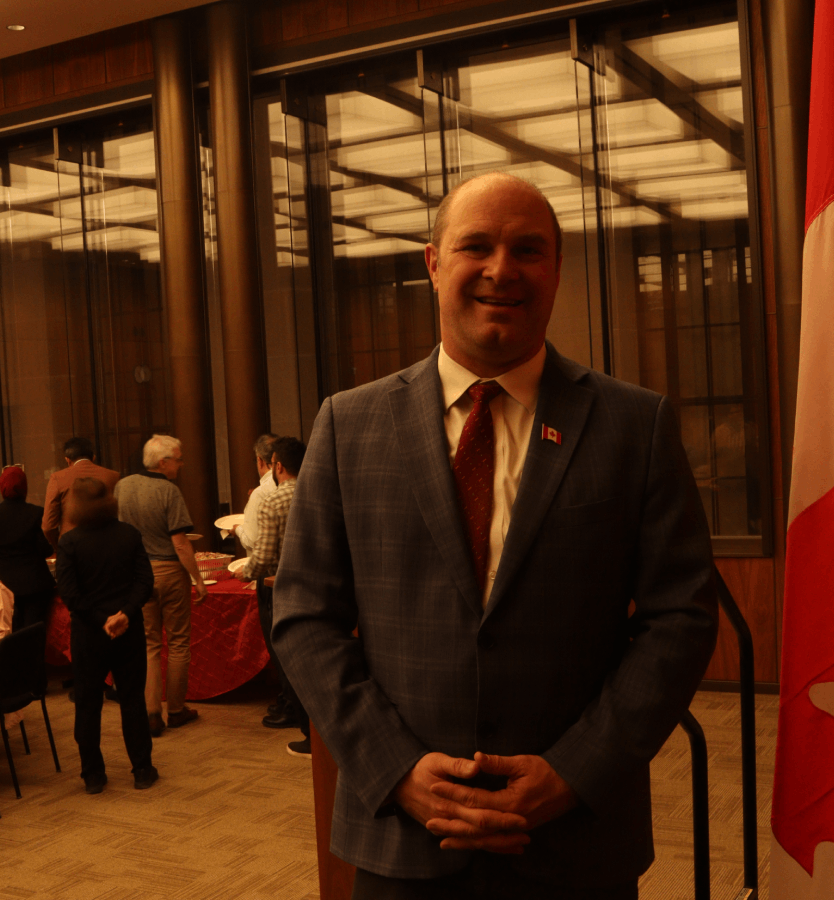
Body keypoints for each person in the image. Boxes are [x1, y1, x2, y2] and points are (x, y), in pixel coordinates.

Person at [272, 172, 719, 898]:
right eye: (475, 246)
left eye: (527, 250)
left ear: (557, 269)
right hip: (402, 842)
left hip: (576, 845)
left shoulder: (635, 426)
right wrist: (396, 768)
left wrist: (574, 771)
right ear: (433, 263)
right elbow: (304, 617)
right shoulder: (347, 425)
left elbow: (682, 618)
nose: (501, 270)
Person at [55, 477, 157, 794]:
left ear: (74, 505)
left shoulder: (69, 543)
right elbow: (145, 581)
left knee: (87, 703)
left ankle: (93, 774)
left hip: (89, 634)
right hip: (129, 629)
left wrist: (102, 620)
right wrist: (124, 613)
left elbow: (70, 594)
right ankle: (142, 769)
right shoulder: (129, 535)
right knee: (132, 699)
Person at [113, 435, 203, 737]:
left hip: (137, 574)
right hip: (169, 572)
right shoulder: (169, 491)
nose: (181, 464)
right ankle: (176, 710)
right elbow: (180, 543)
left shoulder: (123, 486)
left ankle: (151, 713)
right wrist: (198, 578)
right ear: (163, 462)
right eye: (178, 458)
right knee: (177, 643)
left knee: (149, 643)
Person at [242, 436, 309, 755]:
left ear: (277, 466)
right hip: (321, 585)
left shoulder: (273, 501)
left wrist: (246, 572)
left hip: (283, 587)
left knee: (288, 658)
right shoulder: (319, 492)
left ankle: (306, 729)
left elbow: (265, 556)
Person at [0, 466, 56, 633]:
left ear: (1, 487)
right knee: (34, 632)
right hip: (34, 582)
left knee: (10, 631)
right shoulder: (36, 513)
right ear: (24, 487)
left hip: (3, 583)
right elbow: (45, 549)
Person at [43, 437, 120, 551]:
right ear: (93, 457)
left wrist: (57, 545)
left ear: (68, 460)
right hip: (107, 543)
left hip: (71, 545)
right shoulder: (113, 476)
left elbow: (48, 525)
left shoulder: (57, 478)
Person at [232, 433, 278, 554]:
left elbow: (251, 542)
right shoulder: (290, 484)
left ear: (259, 460)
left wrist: (237, 529)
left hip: (266, 562)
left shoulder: (260, 493)